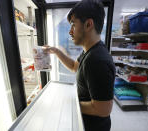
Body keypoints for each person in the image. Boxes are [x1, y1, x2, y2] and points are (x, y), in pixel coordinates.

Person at [43, 0, 115, 130]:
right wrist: (56, 51)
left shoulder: (97, 61)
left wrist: (70, 104)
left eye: (73, 25)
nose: (70, 31)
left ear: (88, 24)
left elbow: (103, 109)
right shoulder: (90, 51)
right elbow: (74, 67)